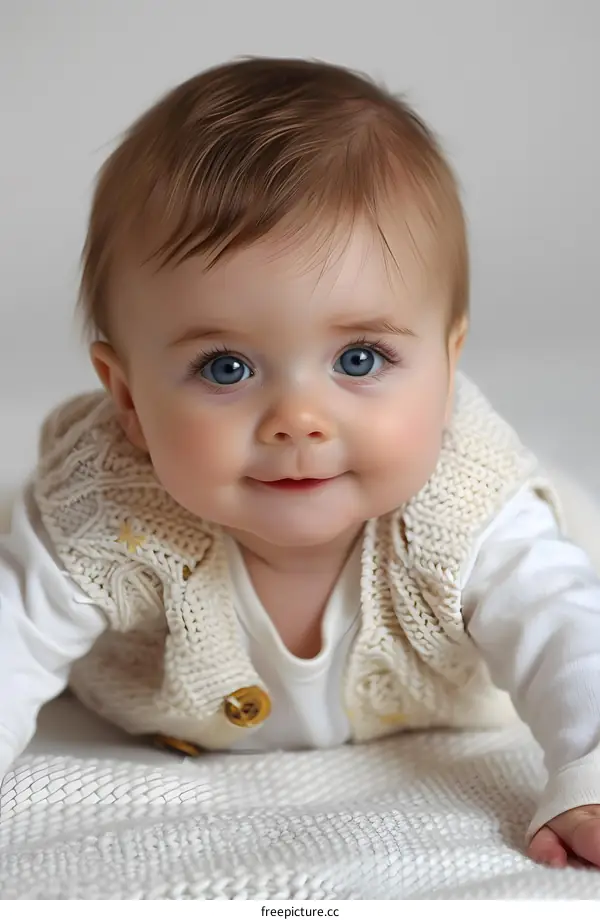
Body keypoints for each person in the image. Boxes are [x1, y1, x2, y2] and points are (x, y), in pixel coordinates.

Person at [1, 56, 600, 869]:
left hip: (460, 672)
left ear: (449, 364)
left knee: (569, 546)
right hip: (159, 687)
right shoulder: (103, 510)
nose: (297, 423)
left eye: (359, 359)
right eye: (226, 368)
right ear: (130, 398)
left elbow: (563, 629)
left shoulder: (466, 506)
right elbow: (14, 635)